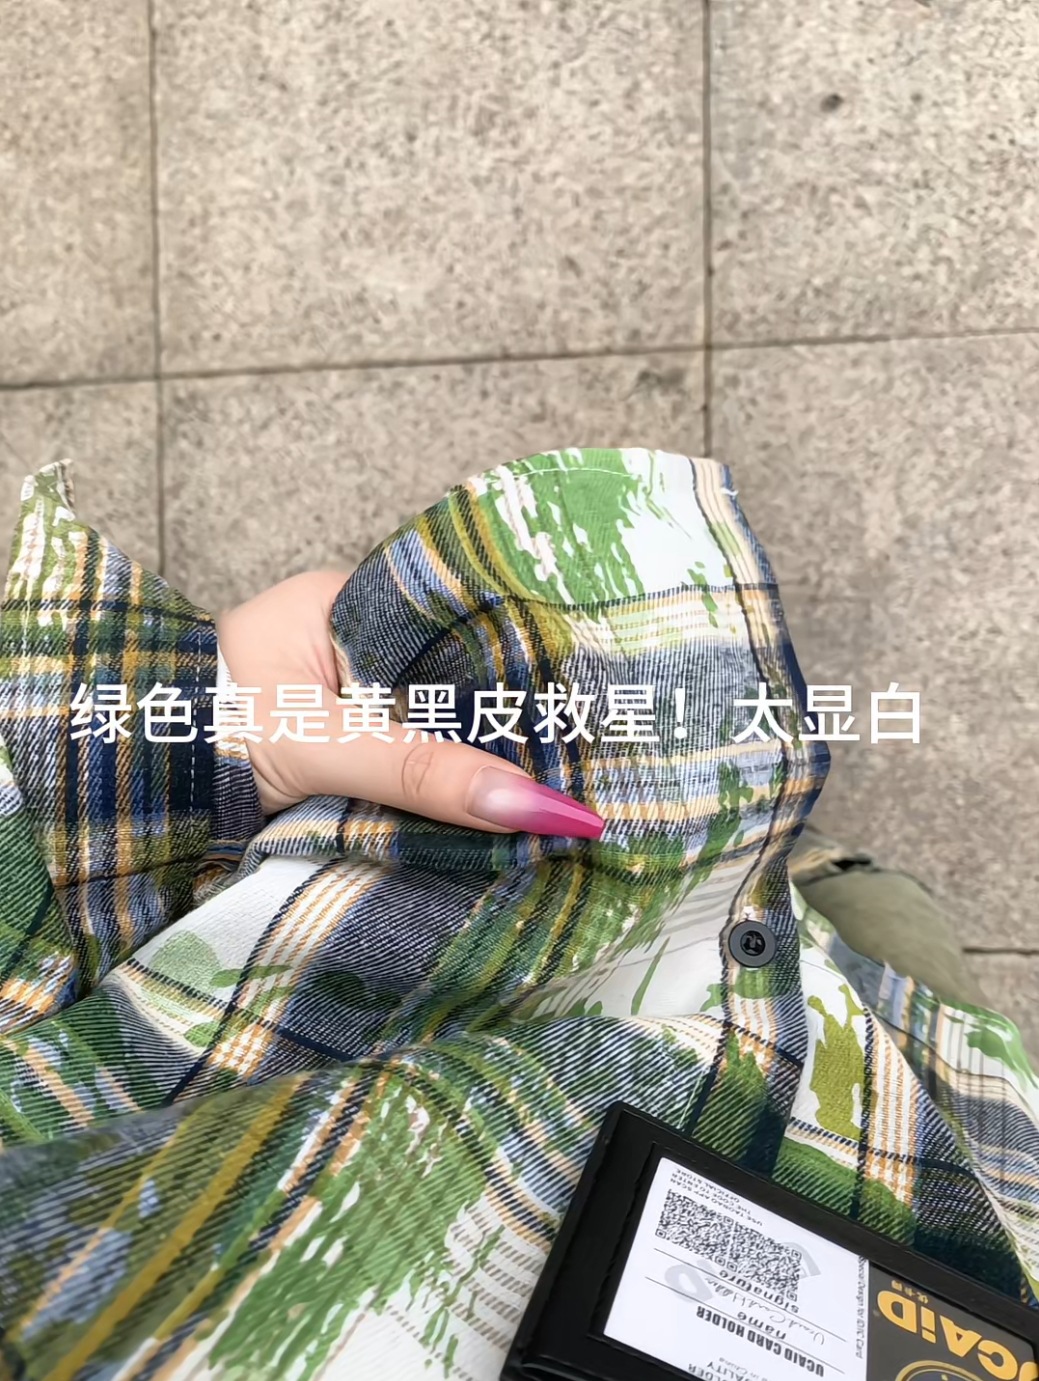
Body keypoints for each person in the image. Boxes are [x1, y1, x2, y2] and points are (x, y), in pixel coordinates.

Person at [0, 451, 1035, 1380]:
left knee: (848, 905)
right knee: (879, 908)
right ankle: (815, 872)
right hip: (952, 1143)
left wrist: (171, 742)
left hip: (755, 1046)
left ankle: (798, 873)